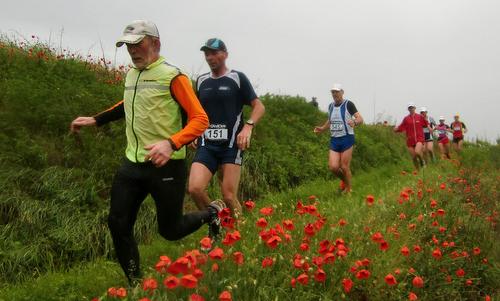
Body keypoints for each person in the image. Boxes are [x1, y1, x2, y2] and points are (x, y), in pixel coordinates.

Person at [70, 20, 225, 284]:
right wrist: (97, 119)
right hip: (132, 163)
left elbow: (200, 119)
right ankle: (135, 283)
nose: (132, 51)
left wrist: (171, 143)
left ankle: (212, 214)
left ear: (155, 43)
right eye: (128, 45)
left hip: (166, 165)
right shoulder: (132, 74)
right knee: (118, 223)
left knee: (171, 230)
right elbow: (127, 103)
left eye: (137, 44)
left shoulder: (173, 75)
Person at [188, 38, 265, 217]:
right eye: (207, 53)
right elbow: (195, 112)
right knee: (194, 189)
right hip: (207, 144)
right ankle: (218, 220)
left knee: (229, 196)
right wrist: (191, 133)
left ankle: (240, 231)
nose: (210, 57)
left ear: (225, 54)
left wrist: (248, 127)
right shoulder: (201, 81)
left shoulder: (237, 78)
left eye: (214, 53)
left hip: (231, 144)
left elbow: (259, 106)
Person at [314, 83, 363, 193]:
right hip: (335, 140)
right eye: (333, 92)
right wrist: (322, 128)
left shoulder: (348, 104)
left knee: (344, 167)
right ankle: (346, 183)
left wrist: (354, 121)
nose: (335, 94)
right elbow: (331, 120)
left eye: (337, 92)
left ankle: (349, 190)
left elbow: (360, 118)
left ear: (342, 92)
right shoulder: (331, 106)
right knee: (333, 167)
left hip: (347, 138)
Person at [394, 103, 428, 169]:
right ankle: (418, 171)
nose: (411, 109)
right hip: (410, 140)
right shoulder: (406, 119)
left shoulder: (420, 117)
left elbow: (425, 125)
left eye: (412, 107)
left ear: (415, 108)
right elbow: (401, 127)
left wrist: (425, 119)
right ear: (408, 109)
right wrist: (396, 129)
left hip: (419, 138)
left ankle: (422, 162)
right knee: (414, 157)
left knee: (417, 152)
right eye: (410, 108)